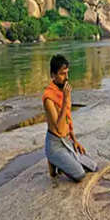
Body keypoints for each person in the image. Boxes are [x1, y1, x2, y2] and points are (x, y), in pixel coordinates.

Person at [42, 54, 88, 182]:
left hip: (66, 140)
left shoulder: (63, 90)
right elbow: (59, 127)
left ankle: (60, 162)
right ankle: (53, 159)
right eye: (62, 74)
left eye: (67, 73)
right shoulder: (48, 98)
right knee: (80, 174)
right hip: (55, 143)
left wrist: (75, 141)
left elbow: (68, 119)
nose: (66, 78)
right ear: (53, 75)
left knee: (91, 166)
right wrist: (66, 100)